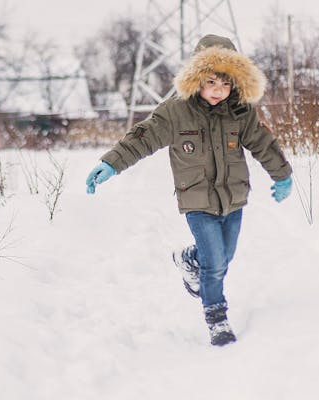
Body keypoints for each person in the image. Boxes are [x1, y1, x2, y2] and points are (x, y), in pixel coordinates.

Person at [86, 34, 293, 346]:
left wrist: (283, 176)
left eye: (225, 85)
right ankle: (216, 318)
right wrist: (112, 163)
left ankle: (188, 258)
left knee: (225, 257)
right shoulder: (176, 111)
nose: (218, 92)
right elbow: (143, 137)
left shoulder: (241, 111)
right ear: (196, 79)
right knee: (215, 263)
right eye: (211, 83)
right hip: (197, 200)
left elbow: (264, 144)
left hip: (233, 198)